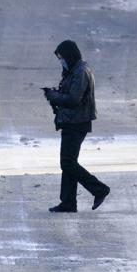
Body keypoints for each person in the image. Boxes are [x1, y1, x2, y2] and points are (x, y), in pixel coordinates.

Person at [43, 40, 109, 213]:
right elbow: (70, 94)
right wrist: (55, 94)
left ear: (69, 55)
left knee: (68, 163)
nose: (61, 61)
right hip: (72, 121)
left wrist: (54, 97)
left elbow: (74, 99)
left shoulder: (80, 71)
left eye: (62, 58)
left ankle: (99, 189)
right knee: (68, 162)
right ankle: (68, 202)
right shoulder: (73, 70)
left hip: (76, 122)